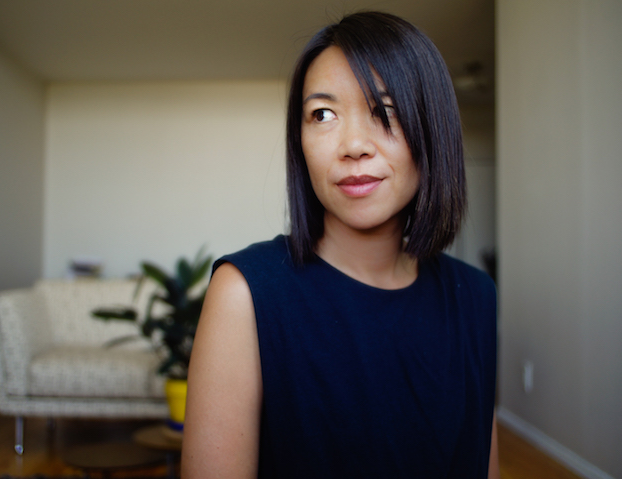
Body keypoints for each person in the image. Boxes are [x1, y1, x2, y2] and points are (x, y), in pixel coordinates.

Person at [182, 11, 498, 479]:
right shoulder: (245, 294)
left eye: (385, 111)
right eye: (323, 114)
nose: (353, 145)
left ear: (432, 129)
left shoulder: (475, 296)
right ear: (301, 141)